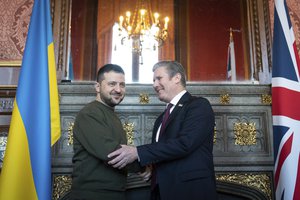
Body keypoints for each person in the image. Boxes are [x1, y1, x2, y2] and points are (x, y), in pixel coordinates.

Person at [108, 61, 218, 200]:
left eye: (159, 78)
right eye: (154, 80)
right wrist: (149, 169)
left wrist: (137, 152)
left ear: (176, 78)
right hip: (161, 190)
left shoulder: (198, 105)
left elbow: (185, 144)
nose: (154, 85)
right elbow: (163, 152)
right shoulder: (161, 118)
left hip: (190, 191)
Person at [70, 64, 141, 200]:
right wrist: (144, 167)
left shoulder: (110, 114)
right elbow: (112, 153)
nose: (118, 90)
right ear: (97, 87)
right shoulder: (89, 114)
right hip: (93, 194)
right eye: (112, 84)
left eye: (122, 85)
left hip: (112, 192)